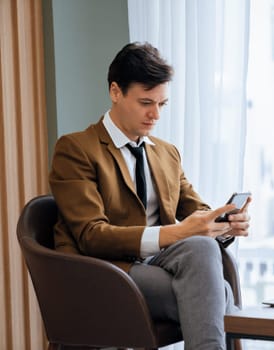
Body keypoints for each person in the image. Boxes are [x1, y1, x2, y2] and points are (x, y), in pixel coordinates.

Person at [49, 42, 251, 350]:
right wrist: (177, 232)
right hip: (105, 270)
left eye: (162, 104)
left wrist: (224, 225)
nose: (155, 114)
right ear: (115, 92)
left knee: (201, 249)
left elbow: (198, 212)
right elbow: (92, 236)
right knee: (217, 294)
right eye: (146, 102)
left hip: (160, 263)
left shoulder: (166, 153)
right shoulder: (76, 149)